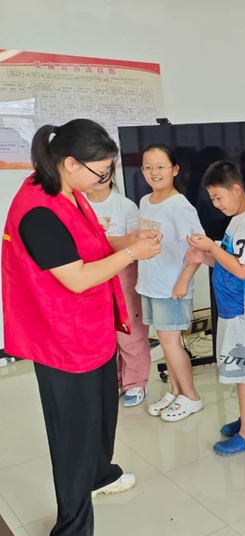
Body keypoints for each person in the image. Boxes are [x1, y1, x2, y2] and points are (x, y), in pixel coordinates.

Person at [1, 119, 161, 536]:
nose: (105, 179)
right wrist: (130, 255)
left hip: (91, 328)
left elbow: (89, 244)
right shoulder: (38, 211)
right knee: (72, 434)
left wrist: (126, 241)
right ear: (70, 163)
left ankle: (99, 473)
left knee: (103, 412)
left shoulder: (69, 191)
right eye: (101, 171)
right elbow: (75, 276)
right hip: (62, 340)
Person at [185, 161, 245, 456]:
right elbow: (228, 264)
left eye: (219, 197)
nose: (216, 204)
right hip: (234, 306)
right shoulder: (238, 219)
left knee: (244, 371)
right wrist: (205, 255)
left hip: (243, 309)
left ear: (236, 189)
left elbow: (243, 270)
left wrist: (211, 247)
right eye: (212, 199)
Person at [136, 143, 206, 422]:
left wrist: (183, 281)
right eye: (148, 167)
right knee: (165, 343)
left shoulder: (180, 206)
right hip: (150, 284)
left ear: (175, 170)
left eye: (160, 167)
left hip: (171, 287)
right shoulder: (145, 201)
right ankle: (176, 391)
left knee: (171, 342)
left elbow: (199, 250)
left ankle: (192, 397)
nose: (154, 172)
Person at [86, 166, 151, 408]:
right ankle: (114, 380)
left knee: (129, 329)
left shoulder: (125, 206)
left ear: (112, 174)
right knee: (101, 331)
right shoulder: (78, 204)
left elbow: (136, 246)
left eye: (104, 173)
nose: (98, 179)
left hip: (123, 273)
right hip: (91, 274)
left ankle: (136, 382)